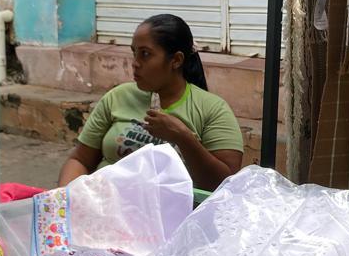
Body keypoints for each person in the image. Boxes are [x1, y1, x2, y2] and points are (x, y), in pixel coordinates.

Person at [59, 14, 245, 191]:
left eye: (145, 54)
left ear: (176, 60)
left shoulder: (212, 108)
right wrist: (61, 204)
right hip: (105, 207)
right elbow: (81, 160)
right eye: (134, 53)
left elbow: (224, 186)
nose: (135, 63)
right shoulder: (118, 97)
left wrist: (183, 137)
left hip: (172, 217)